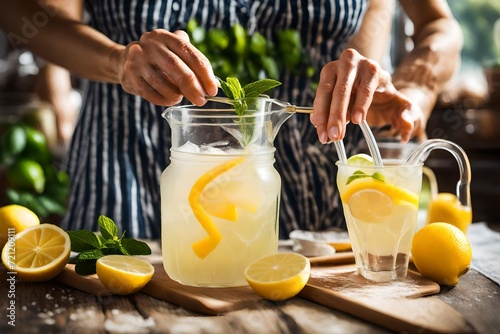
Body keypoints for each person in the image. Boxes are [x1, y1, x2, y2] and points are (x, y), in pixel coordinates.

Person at [0, 0, 462, 239]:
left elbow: (439, 25)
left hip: (322, 205)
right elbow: (22, 12)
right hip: (134, 180)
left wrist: (411, 91)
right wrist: (118, 60)